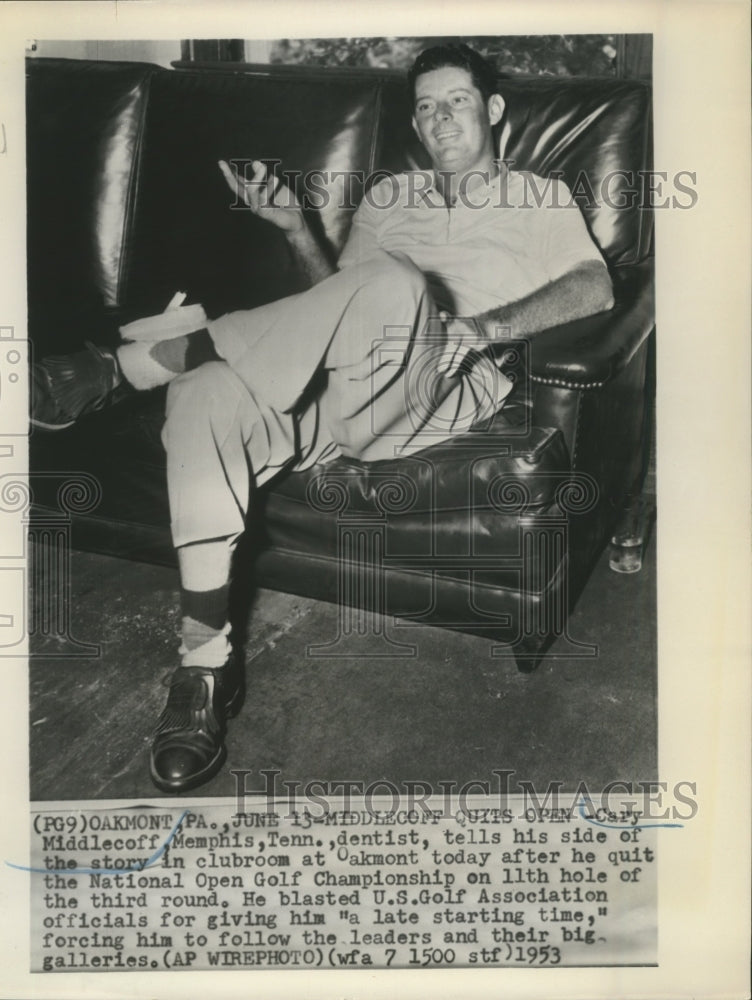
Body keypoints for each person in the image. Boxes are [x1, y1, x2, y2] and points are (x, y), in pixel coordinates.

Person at [32, 44, 614, 793]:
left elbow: (595, 287)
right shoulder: (389, 196)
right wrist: (295, 228)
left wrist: (487, 328)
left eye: (458, 101)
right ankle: (204, 667)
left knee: (394, 284)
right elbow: (336, 299)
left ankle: (128, 366)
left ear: (494, 110)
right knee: (206, 394)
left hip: (438, 383)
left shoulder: (539, 197)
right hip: (341, 382)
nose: (441, 118)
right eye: (428, 106)